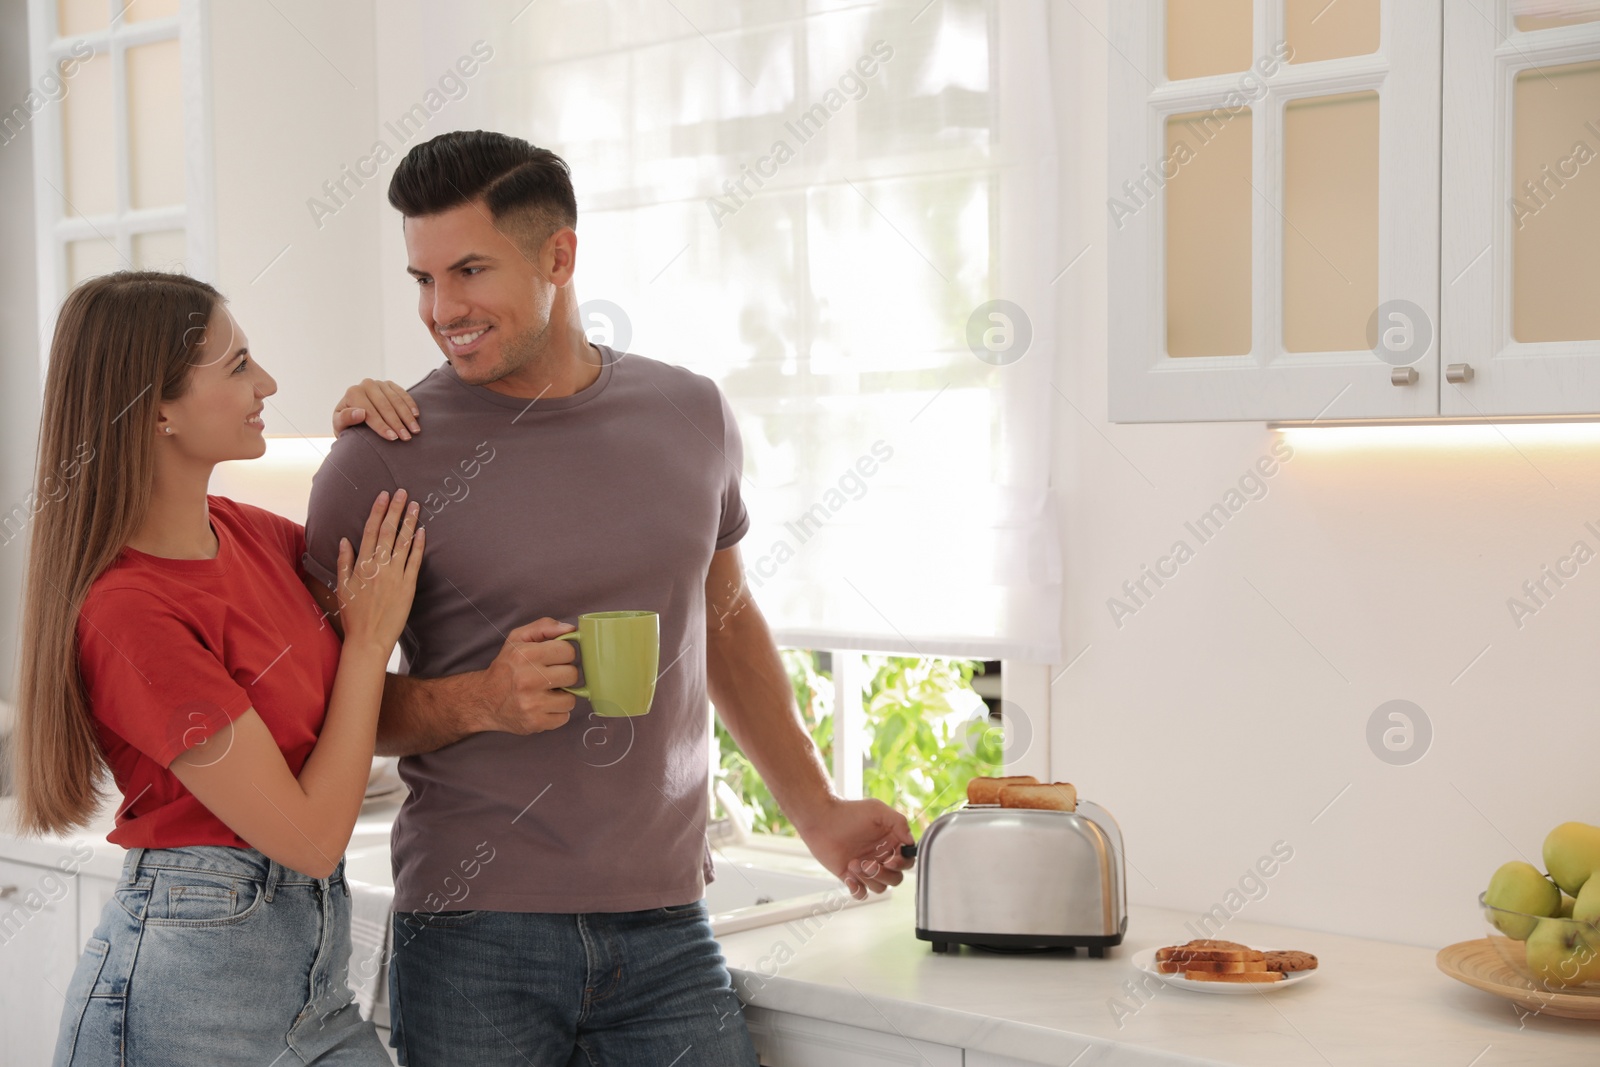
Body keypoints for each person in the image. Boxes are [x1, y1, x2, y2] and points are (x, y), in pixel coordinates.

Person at [301, 130, 915, 1066]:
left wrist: (818, 811)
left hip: (668, 925)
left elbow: (725, 622)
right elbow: (314, 711)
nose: (442, 309)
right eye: (423, 278)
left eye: (469, 270)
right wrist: (481, 699)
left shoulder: (690, 414)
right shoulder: (384, 453)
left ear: (560, 254)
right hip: (473, 934)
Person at [13, 270, 424, 1065]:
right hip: (185, 1004)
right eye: (237, 366)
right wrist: (369, 643)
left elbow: (396, 556)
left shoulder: (252, 536)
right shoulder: (128, 611)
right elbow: (307, 836)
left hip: (314, 987)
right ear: (156, 408)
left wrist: (372, 440)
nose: (267, 383)